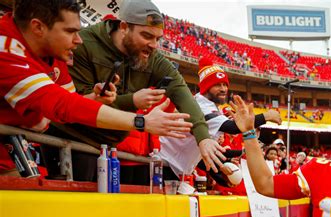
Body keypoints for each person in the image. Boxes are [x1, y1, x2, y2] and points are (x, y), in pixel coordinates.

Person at [0, 0, 192, 175]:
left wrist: (94, 97)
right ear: (38, 27)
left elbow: (72, 104)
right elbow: (63, 104)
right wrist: (141, 122)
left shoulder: (54, 52)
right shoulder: (5, 50)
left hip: (11, 156)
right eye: (70, 31)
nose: (79, 39)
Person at [43, 0, 225, 181]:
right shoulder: (84, 43)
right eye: (147, 36)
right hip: (73, 139)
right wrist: (132, 101)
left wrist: (203, 138)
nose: (154, 44)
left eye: (158, 38)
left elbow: (181, 92)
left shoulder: (152, 57)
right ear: (123, 27)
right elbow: (76, 103)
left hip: (109, 146)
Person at [158, 57, 281, 183]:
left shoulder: (205, 104)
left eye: (225, 84)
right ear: (206, 87)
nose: (223, 89)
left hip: (172, 166)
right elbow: (233, 127)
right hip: (164, 164)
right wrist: (267, 116)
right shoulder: (202, 106)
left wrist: (221, 172)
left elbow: (204, 152)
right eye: (217, 85)